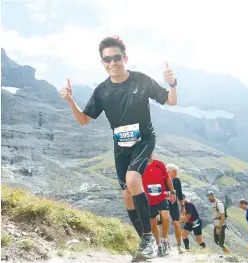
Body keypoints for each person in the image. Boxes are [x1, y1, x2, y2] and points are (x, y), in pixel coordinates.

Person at [59, 35, 178, 260]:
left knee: (133, 180)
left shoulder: (141, 80)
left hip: (143, 140)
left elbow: (171, 101)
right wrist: (70, 101)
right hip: (120, 146)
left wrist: (172, 84)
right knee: (127, 195)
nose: (112, 63)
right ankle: (147, 241)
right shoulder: (102, 91)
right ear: (102, 63)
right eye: (107, 60)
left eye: (116, 58)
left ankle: (149, 240)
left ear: (125, 58)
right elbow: (84, 120)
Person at [142, 155, 176, 256]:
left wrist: (172, 192)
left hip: (162, 197)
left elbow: (168, 179)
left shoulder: (159, 164)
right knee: (153, 224)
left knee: (166, 218)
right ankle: (158, 244)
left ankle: (164, 239)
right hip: (148, 200)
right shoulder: (140, 166)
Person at [166, 163, 185, 254]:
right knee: (164, 224)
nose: (176, 173)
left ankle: (179, 246)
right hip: (164, 204)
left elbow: (180, 194)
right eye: (175, 172)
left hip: (173, 205)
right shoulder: (162, 179)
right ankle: (166, 245)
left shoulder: (177, 181)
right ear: (170, 172)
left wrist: (182, 206)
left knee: (176, 223)